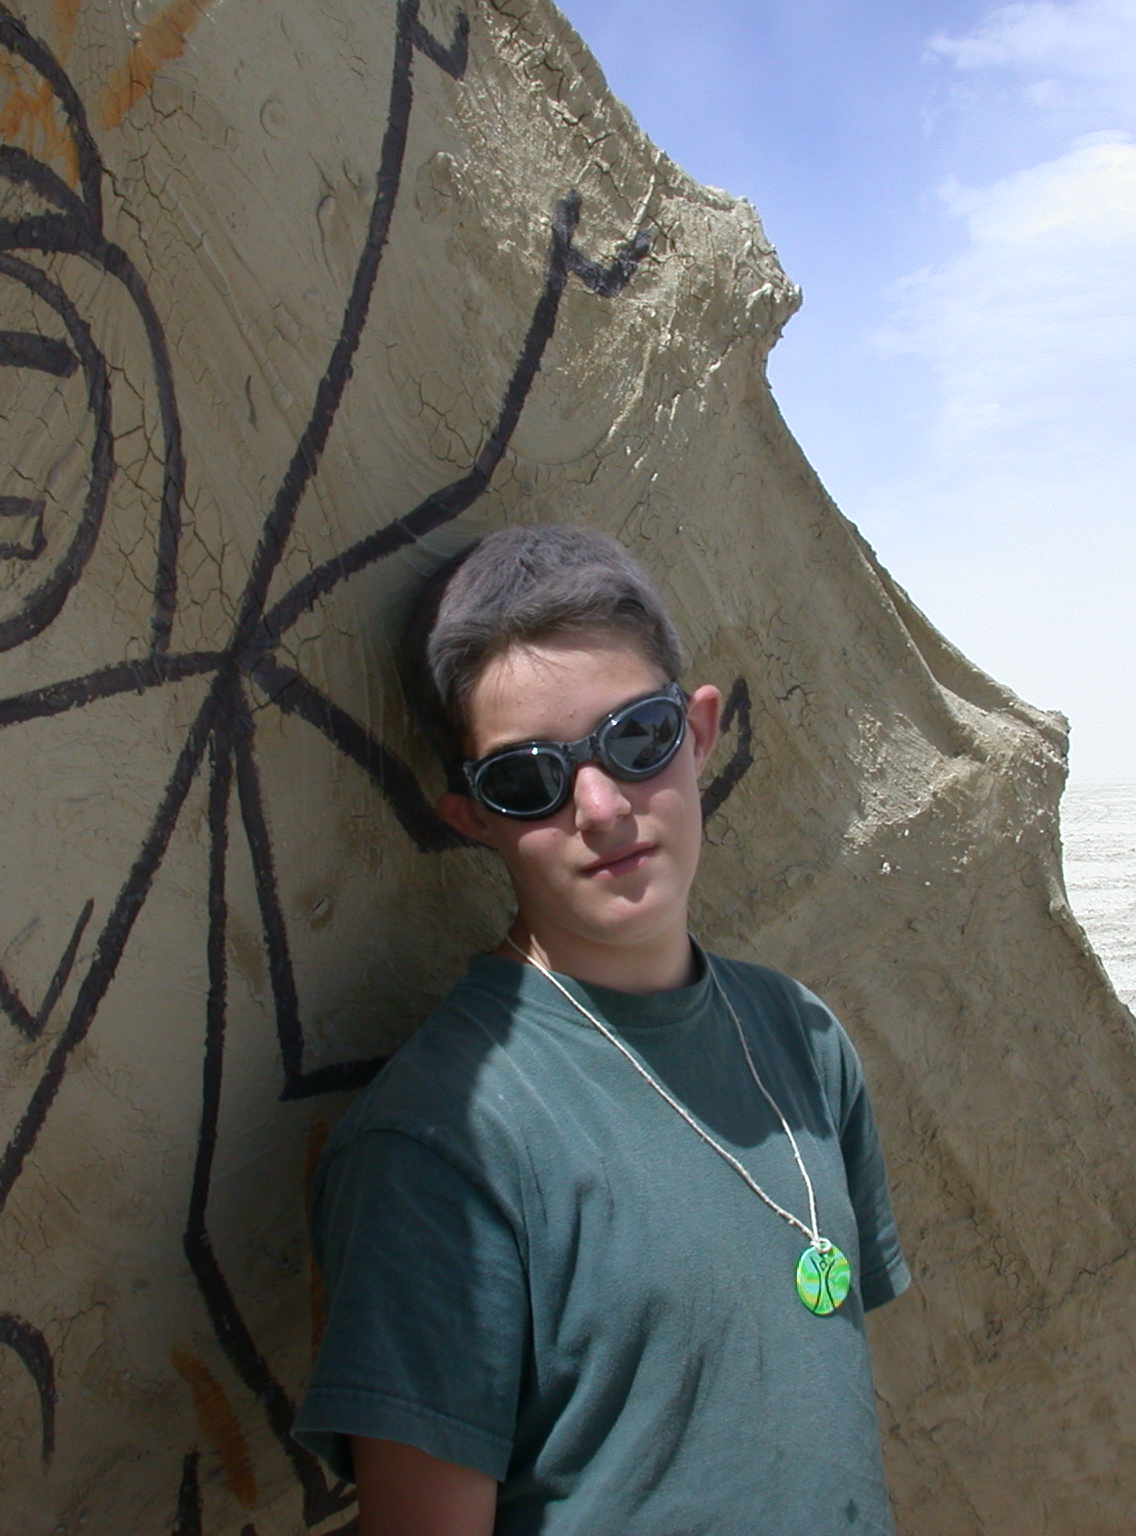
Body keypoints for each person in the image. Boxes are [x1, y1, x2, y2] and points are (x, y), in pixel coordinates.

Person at [294, 526, 909, 1535]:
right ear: (470, 817)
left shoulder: (802, 1039)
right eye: (527, 780)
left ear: (698, 731)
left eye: (636, 739)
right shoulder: (438, 1144)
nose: (599, 807)